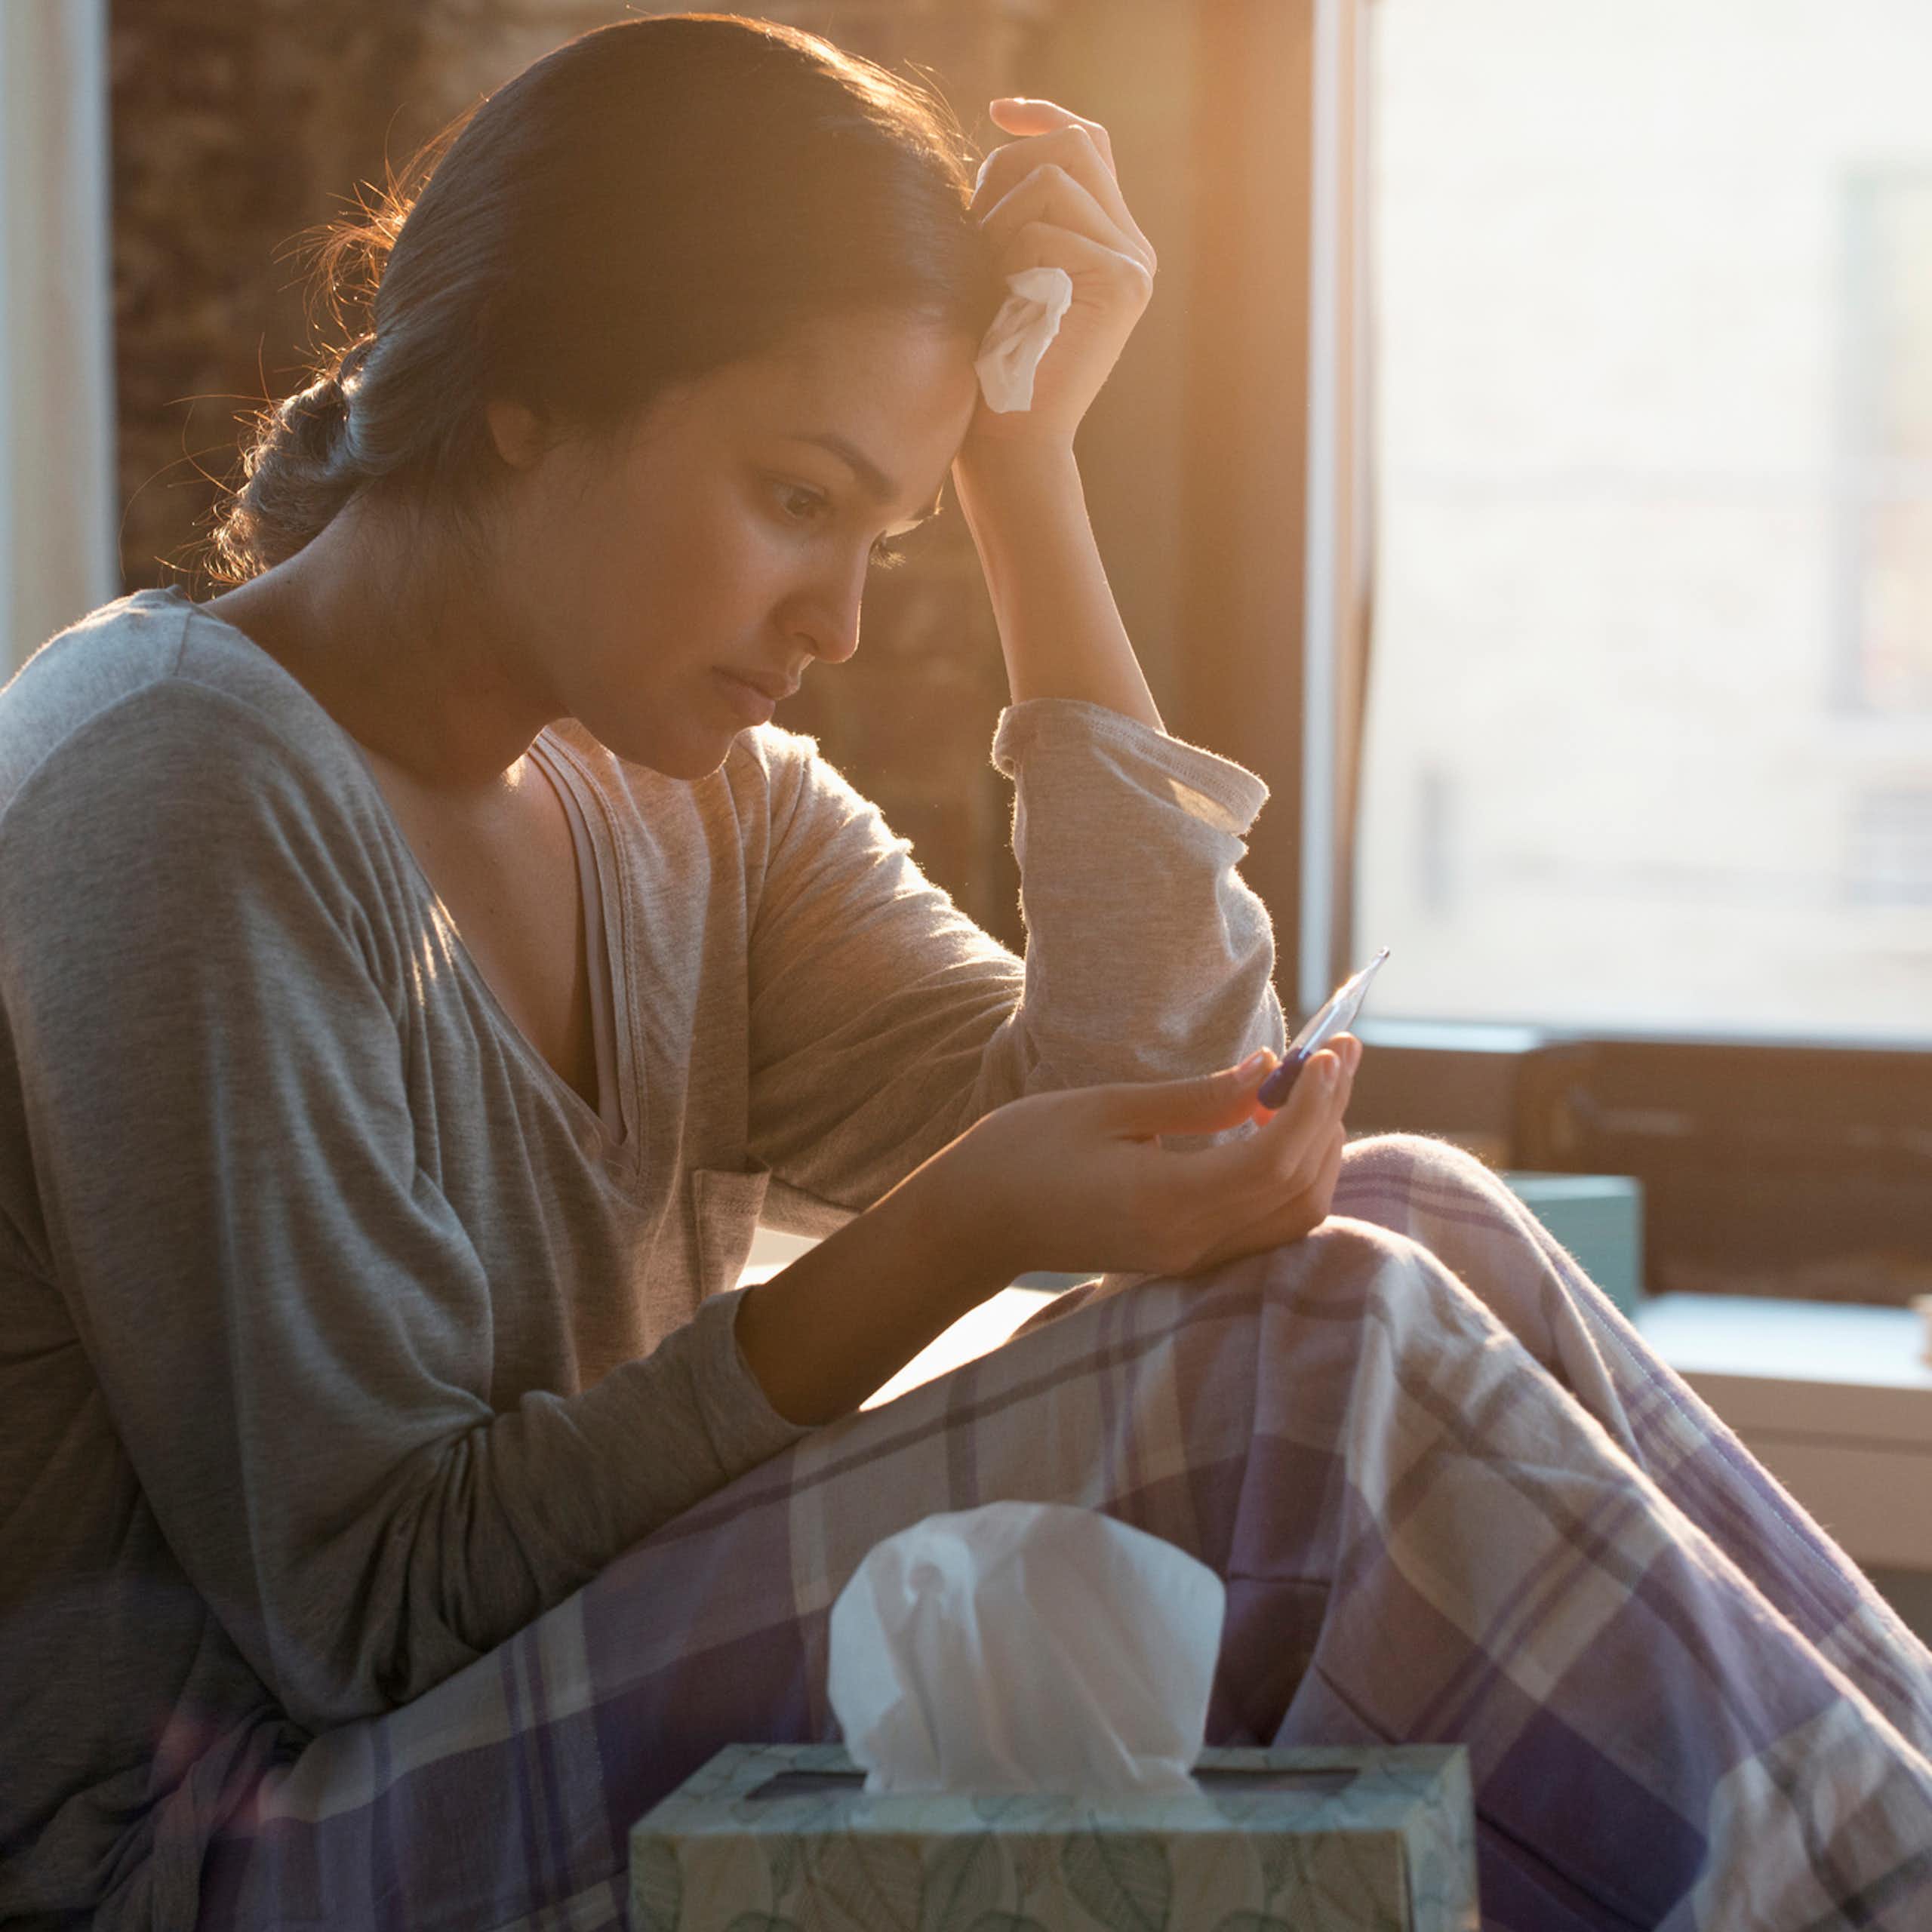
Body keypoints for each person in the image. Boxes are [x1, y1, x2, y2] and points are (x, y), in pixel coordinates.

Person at [1, 14, 1927, 1929]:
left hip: (462, 1723)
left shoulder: (695, 805)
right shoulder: (173, 771)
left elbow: (1164, 1080)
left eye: (888, 530)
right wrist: (945, 1228)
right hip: (209, 1843)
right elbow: (372, 1610)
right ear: (527, 383)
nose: (836, 618)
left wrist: (1026, 470)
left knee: (1420, 1212)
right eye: (794, 497)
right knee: (1309, 1378)